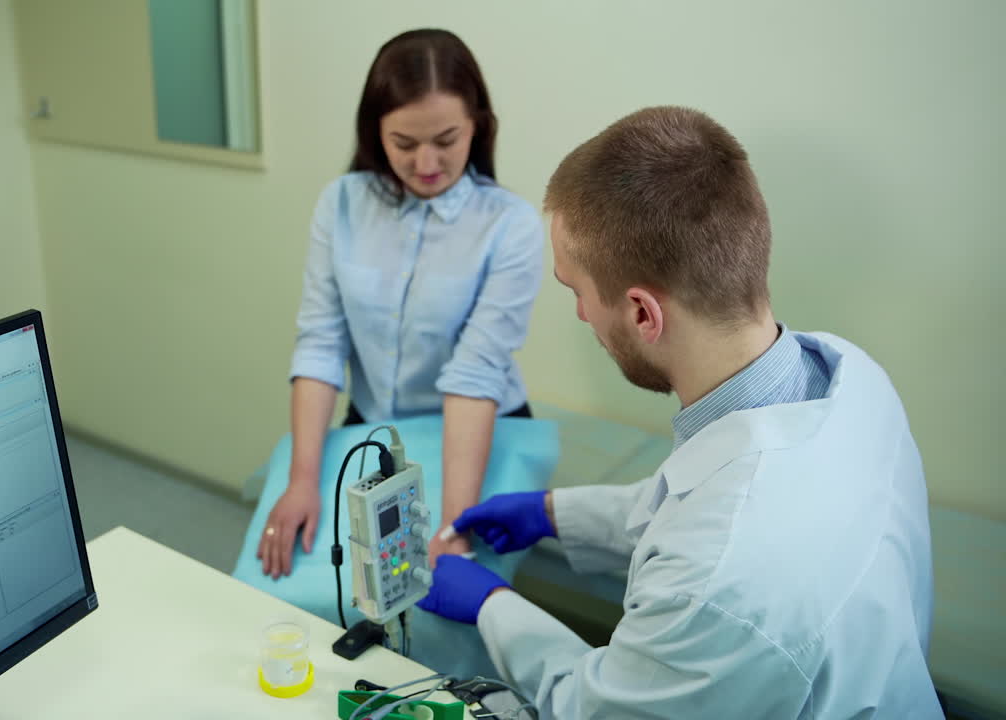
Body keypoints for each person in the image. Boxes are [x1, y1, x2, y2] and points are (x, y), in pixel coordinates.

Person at [417, 106, 939, 717]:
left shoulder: (718, 586)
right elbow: (696, 502)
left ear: (643, 313)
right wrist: (554, 514)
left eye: (575, 291)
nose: (582, 315)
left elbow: (589, 707)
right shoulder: (848, 377)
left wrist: (490, 605)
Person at [257, 29, 544, 579]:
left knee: (448, 588)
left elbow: (475, 373)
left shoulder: (509, 224)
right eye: (405, 144)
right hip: (375, 427)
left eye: (446, 139)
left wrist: (453, 524)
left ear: (477, 126)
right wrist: (302, 479)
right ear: (375, 132)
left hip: (478, 428)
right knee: (347, 580)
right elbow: (320, 343)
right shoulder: (340, 203)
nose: (427, 163)